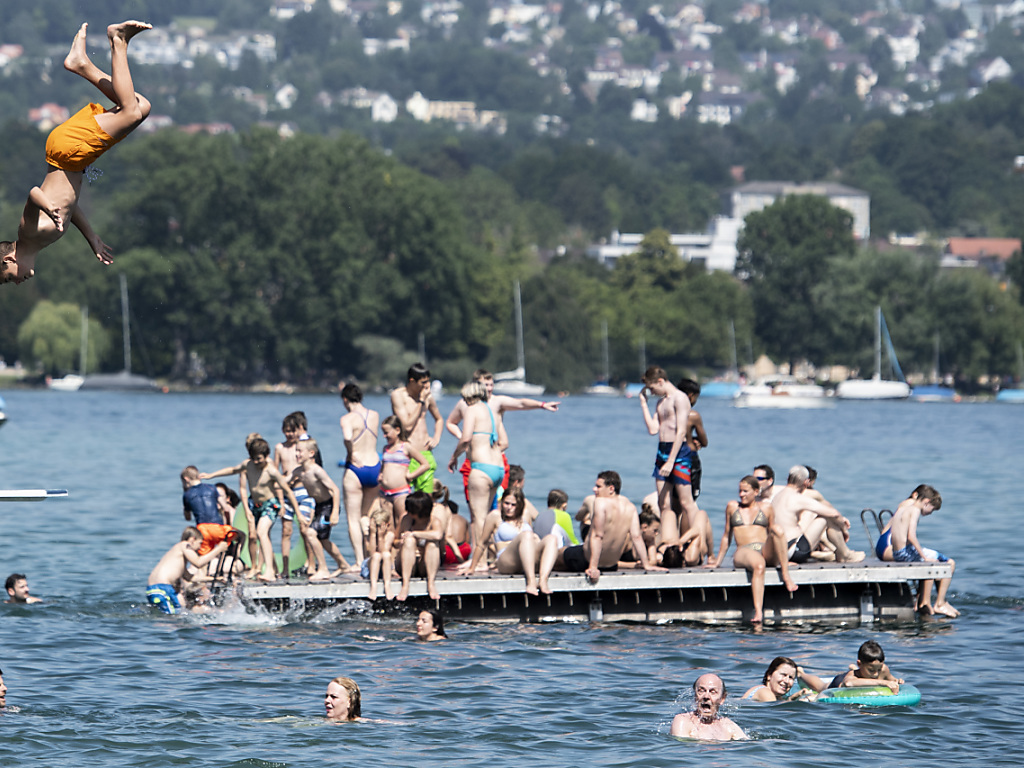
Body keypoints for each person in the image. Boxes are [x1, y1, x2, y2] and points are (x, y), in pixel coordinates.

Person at [1, 21, 153, 285]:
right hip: (72, 156)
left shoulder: (28, 233)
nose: (16, 283)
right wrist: (92, 237)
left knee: (130, 111)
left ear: (8, 260)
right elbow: (70, 208)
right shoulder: (42, 241)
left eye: (7, 279)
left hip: (68, 154)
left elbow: (34, 194)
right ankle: (82, 65)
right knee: (141, 108)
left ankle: (118, 39)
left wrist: (48, 208)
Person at [445, 368, 559, 503]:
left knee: (499, 503)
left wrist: (542, 405)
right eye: (485, 385)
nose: (489, 388)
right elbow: (451, 423)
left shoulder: (497, 402)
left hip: (495, 458)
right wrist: (463, 438)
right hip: (474, 458)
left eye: (491, 385)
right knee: (475, 505)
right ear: (476, 384)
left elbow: (520, 403)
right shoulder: (465, 404)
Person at [538, 471, 667, 590]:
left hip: (586, 560)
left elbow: (597, 536)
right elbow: (637, 537)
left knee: (556, 554)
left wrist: (593, 567)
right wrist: (646, 565)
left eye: (598, 486)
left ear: (611, 488)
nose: (595, 489)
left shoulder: (601, 503)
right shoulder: (630, 507)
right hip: (611, 565)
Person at [202, 434, 303, 581]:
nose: (256, 462)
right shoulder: (248, 464)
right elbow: (232, 470)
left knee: (262, 532)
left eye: (259, 459)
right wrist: (211, 475)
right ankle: (260, 567)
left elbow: (287, 490)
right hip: (255, 505)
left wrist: (298, 514)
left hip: (270, 504)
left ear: (266, 455)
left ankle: (269, 571)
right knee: (257, 535)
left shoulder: (271, 470)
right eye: (254, 458)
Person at [707, 475, 798, 624]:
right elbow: (726, 536)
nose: (741, 494)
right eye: (740, 491)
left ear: (756, 492)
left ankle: (786, 574)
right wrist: (718, 562)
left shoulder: (766, 507)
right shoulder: (732, 507)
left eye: (745, 491)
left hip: (764, 549)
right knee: (759, 565)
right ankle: (758, 612)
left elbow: (773, 535)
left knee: (778, 529)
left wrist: (783, 559)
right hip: (744, 551)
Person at [638, 367, 703, 546]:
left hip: (679, 452)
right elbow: (653, 429)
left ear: (660, 381)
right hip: (662, 451)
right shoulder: (660, 402)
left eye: (651, 388)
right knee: (663, 502)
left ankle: (697, 541)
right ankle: (670, 541)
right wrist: (643, 403)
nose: (651, 392)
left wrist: (672, 460)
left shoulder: (680, 398)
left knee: (686, 501)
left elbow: (681, 430)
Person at [876, 484, 957, 617]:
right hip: (900, 551)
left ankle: (925, 602)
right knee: (935, 563)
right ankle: (937, 603)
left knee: (930, 561)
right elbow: (911, 537)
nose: (930, 514)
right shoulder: (913, 509)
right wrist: (924, 557)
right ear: (926, 502)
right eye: (931, 510)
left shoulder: (903, 507)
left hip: (896, 551)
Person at [448, 381, 508, 558]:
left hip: (481, 469)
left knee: (479, 518)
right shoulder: (492, 411)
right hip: (498, 468)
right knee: (489, 516)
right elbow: (505, 442)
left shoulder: (472, 409)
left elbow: (465, 438)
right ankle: (491, 557)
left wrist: (454, 457)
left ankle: (479, 561)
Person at [772, 465, 864, 565]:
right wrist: (844, 530)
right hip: (795, 551)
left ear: (787, 479)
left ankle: (836, 552)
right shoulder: (797, 498)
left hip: (777, 551)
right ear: (806, 482)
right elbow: (834, 514)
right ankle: (845, 554)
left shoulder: (778, 495)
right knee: (825, 517)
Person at [458, 487, 542, 595]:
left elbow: (530, 542)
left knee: (549, 539)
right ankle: (531, 582)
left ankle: (543, 580)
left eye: (513, 505)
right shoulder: (495, 516)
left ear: (520, 505)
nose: (509, 508)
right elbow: (482, 543)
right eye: (506, 503)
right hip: (507, 561)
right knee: (526, 535)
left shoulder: (525, 515)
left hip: (526, 560)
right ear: (501, 502)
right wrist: (472, 567)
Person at [293, 438, 352, 580]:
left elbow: (335, 490)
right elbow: (284, 482)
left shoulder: (316, 471)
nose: (297, 454)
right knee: (324, 540)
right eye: (296, 451)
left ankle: (323, 569)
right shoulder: (299, 471)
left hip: (329, 506)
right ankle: (343, 565)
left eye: (300, 451)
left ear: (311, 453)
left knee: (310, 533)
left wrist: (334, 514)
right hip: (319, 507)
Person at [339, 383, 381, 566]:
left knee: (353, 518)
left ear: (345, 399)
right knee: (367, 516)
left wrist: (350, 453)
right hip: (374, 466)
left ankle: (358, 561)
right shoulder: (375, 415)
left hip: (356, 469)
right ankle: (371, 556)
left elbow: (348, 437)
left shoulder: (347, 419)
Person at [146, 527, 229, 614]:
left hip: (154, 589)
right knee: (173, 618)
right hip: (162, 588)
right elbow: (198, 563)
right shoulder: (184, 545)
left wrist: (215, 579)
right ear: (192, 539)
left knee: (174, 614)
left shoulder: (178, 559)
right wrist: (219, 548)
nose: (199, 548)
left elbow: (190, 578)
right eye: (200, 543)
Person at [180, 466, 243, 578]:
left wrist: (186, 507)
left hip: (202, 530)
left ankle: (204, 589)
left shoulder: (187, 494)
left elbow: (188, 517)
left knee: (203, 562)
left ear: (186, 479)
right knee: (242, 535)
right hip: (218, 528)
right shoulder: (212, 488)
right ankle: (235, 561)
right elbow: (226, 508)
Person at [390, 363, 443, 494]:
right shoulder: (398, 396)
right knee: (402, 498)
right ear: (412, 381)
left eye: (428, 382)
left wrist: (436, 438)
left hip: (425, 453)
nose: (427, 386)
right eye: (423, 382)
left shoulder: (428, 397)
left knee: (425, 501)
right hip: (406, 454)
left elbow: (439, 419)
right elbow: (406, 426)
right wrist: (421, 402)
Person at [273, 412, 313, 579]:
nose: (289, 434)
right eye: (286, 431)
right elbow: (275, 471)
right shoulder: (280, 448)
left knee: (305, 529)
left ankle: (311, 564)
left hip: (303, 491)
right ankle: (285, 569)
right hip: (286, 495)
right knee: (286, 531)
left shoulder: (302, 447)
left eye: (292, 431)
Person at [396, 490, 450, 601]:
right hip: (406, 563)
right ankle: (405, 585)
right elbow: (394, 541)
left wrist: (415, 534)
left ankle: (431, 583)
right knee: (409, 541)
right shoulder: (406, 520)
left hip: (424, 564)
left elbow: (438, 535)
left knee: (432, 543)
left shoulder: (434, 521)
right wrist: (401, 542)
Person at [380, 415, 430, 530]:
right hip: (384, 492)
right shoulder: (385, 448)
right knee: (387, 523)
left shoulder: (405, 447)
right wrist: (380, 474)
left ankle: (400, 545)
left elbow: (425, 464)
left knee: (402, 521)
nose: (384, 436)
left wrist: (411, 475)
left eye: (387, 432)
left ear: (397, 430)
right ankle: (390, 547)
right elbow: (384, 466)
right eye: (383, 432)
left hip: (400, 492)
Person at [800, 641, 904, 693]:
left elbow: (892, 680)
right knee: (821, 687)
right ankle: (801, 674)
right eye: (871, 670)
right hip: (840, 682)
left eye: (879, 669)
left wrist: (897, 681)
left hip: (858, 673)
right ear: (860, 663)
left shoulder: (883, 669)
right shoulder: (850, 679)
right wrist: (883, 682)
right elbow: (848, 683)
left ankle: (855, 669)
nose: (876, 674)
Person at [671, 673, 747, 741]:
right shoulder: (683, 721)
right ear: (695, 696)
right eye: (701, 691)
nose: (706, 696)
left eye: (713, 692)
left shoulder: (729, 726)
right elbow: (681, 749)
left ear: (722, 698)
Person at [678, 379, 708, 501]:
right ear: (691, 396)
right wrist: (695, 439)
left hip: (669, 455)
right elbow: (704, 442)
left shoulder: (667, 411)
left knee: (674, 500)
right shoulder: (693, 415)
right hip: (689, 457)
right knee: (689, 501)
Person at [434, 482, 471, 567]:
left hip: (447, 551)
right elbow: (468, 541)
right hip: (463, 550)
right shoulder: (463, 519)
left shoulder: (441, 513)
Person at [366, 499, 396, 601]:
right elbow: (371, 552)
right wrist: (373, 535)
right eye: (376, 526)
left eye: (380, 527)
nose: (378, 529)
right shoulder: (369, 535)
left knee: (386, 555)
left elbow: (384, 551)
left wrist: (381, 537)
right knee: (376, 555)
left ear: (387, 525)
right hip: (370, 566)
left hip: (385, 566)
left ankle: (387, 585)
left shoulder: (390, 535)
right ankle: (373, 586)